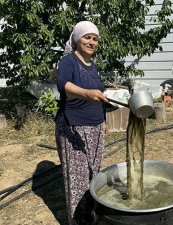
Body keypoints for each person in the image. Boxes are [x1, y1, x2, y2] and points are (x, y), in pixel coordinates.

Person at [55, 20, 108, 225]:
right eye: (87, 37)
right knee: (77, 181)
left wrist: (103, 121)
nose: (92, 42)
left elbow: (99, 96)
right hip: (73, 127)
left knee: (93, 175)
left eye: (95, 39)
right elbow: (63, 85)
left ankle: (90, 216)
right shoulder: (69, 61)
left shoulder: (92, 66)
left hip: (95, 128)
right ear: (77, 39)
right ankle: (78, 221)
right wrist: (86, 93)